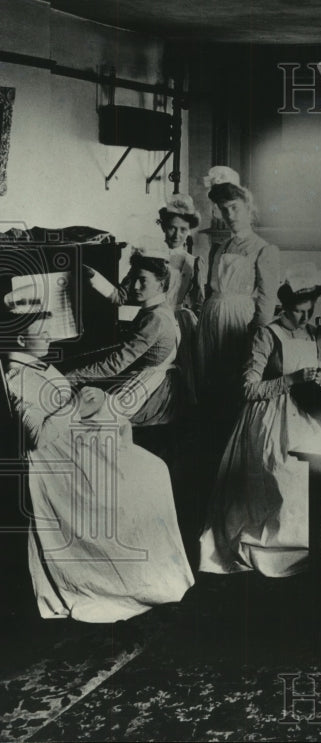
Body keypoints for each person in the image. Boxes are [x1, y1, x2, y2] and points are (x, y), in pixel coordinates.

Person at [2, 277, 192, 622]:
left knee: (154, 470)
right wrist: (77, 405)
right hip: (58, 466)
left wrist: (94, 402)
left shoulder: (37, 365)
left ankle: (152, 575)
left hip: (77, 447)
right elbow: (38, 437)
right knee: (147, 476)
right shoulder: (18, 379)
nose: (49, 336)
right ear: (18, 338)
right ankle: (132, 580)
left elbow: (64, 408)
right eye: (42, 332)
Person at [199, 264, 321, 577]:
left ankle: (313, 543)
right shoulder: (266, 334)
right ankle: (275, 549)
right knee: (281, 472)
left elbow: (320, 373)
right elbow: (247, 388)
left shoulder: (312, 333)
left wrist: (320, 377)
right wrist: (291, 379)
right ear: (284, 307)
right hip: (271, 417)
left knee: (318, 472)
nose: (303, 319)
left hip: (306, 414)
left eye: (308, 312)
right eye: (297, 312)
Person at [195, 166, 279, 431]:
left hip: (238, 324)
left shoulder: (264, 249)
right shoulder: (219, 248)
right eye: (223, 209)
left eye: (234, 207)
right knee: (209, 384)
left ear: (248, 207)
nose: (229, 215)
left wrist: (255, 336)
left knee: (233, 385)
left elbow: (266, 302)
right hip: (211, 320)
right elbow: (209, 290)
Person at [70, 244, 184, 430]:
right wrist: (92, 275)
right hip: (155, 378)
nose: (135, 286)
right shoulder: (157, 307)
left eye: (142, 281)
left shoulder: (155, 318)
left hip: (150, 389)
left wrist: (72, 376)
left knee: (82, 416)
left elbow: (115, 364)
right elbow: (119, 296)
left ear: (161, 284)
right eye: (132, 279)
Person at [158, 194, 204, 403]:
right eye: (172, 227)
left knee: (183, 376)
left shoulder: (192, 262)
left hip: (179, 321)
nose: (177, 234)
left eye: (183, 230)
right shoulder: (151, 254)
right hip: (153, 318)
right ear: (163, 226)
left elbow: (199, 301)